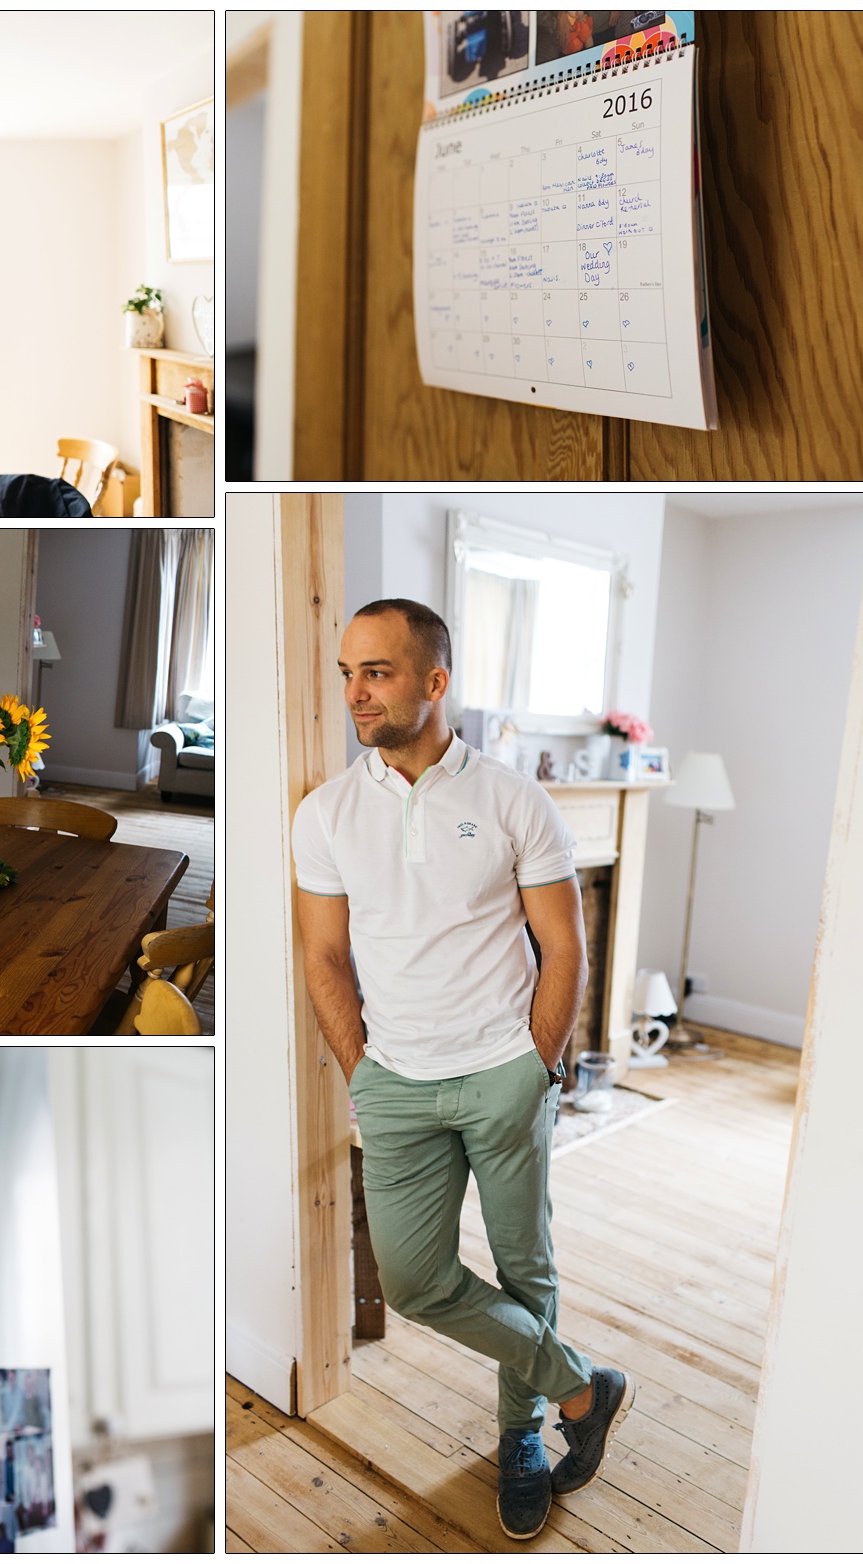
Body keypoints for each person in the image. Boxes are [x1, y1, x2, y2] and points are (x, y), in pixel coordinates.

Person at [292, 598, 634, 1543]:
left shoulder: (514, 799)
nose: (356, 692)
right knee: (415, 1281)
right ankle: (581, 1388)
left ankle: (520, 1437)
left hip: (502, 1072)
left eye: (378, 672)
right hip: (394, 1083)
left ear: (434, 681)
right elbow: (324, 957)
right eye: (347, 673)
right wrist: (362, 1072)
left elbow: (563, 946)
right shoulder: (324, 814)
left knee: (527, 1269)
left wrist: (538, 1062)